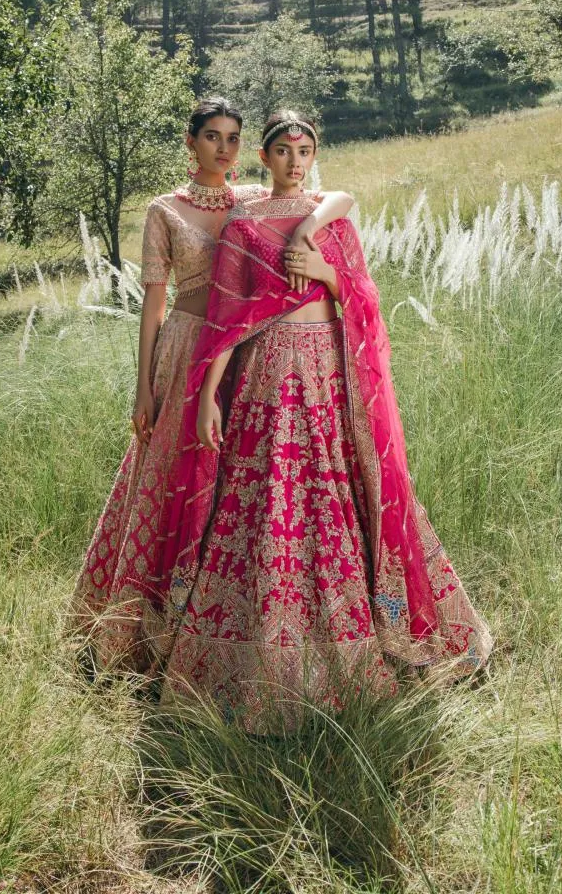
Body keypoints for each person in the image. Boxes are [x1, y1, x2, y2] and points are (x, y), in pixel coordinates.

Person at [153, 110, 493, 731]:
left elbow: (364, 296)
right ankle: (254, 652)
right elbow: (227, 318)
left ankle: (364, 637)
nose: (293, 160)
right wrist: (206, 395)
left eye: (303, 149)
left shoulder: (333, 223)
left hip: (327, 377)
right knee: (263, 499)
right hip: (264, 375)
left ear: (315, 153)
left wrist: (329, 272)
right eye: (281, 150)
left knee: (334, 489)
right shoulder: (243, 226)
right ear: (263, 157)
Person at [70, 98, 354, 674]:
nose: (222, 149)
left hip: (248, 349)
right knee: (176, 474)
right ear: (190, 141)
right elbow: (153, 304)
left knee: (236, 487)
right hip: (187, 344)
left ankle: (231, 620)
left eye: (232, 138)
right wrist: (143, 386)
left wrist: (311, 228)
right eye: (211, 137)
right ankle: (145, 630)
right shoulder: (164, 211)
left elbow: (333, 197)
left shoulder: (253, 198)